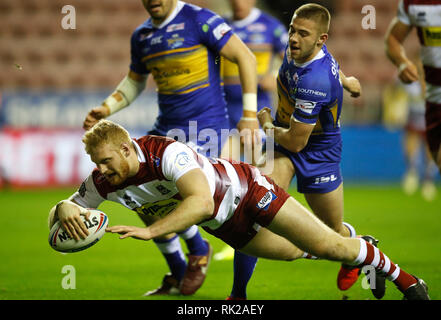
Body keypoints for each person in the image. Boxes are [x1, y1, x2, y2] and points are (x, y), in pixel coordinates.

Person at [48, 119, 429, 300]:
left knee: (331, 248)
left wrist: (152, 231)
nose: (100, 170)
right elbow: (66, 209)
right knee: (299, 252)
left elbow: (201, 201)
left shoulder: (166, 152)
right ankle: (361, 246)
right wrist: (64, 206)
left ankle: (406, 280)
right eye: (96, 163)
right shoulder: (103, 183)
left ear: (128, 149)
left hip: (248, 192)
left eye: (105, 161)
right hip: (226, 226)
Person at [82, 0, 260, 296]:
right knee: (134, 190)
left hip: (203, 129)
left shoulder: (199, 20)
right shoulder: (142, 36)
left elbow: (246, 58)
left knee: (181, 196)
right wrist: (107, 107)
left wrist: (251, 114)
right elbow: (136, 81)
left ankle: (197, 250)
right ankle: (180, 268)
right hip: (165, 129)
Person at [251, 3, 383, 299]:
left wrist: (265, 124)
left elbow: (297, 142)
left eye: (302, 34)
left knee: (332, 232)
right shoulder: (301, 50)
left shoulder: (315, 81)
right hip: (284, 140)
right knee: (256, 207)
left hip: (315, 149)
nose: (293, 39)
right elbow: (331, 66)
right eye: (292, 31)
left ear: (321, 39)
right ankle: (238, 294)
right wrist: (348, 82)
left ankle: (363, 251)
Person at [385, 0, 441, 176]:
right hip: (422, 110)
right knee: (417, 143)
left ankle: (427, 178)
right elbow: (393, 38)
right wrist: (402, 63)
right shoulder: (414, 3)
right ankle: (413, 172)